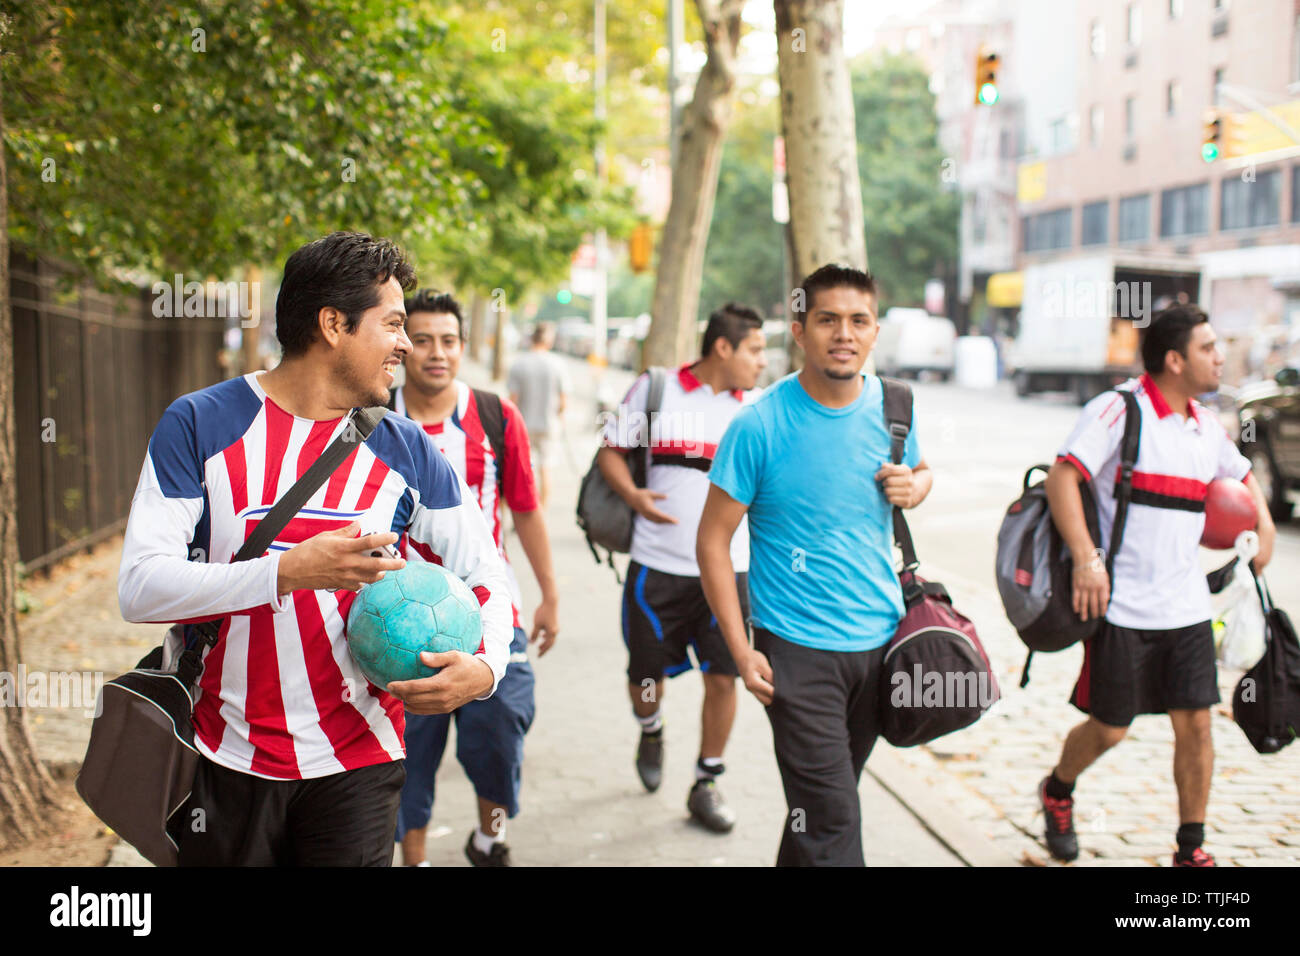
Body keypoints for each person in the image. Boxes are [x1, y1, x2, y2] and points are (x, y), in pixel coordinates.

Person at [117, 232, 514, 866]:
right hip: (222, 762)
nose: (406, 345)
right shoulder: (199, 424)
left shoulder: (407, 449)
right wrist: (287, 572)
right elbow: (140, 586)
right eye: (392, 324)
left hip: (359, 765)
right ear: (333, 324)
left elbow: (488, 571)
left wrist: (487, 666)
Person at [697, 265, 933, 866]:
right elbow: (713, 541)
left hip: (881, 646)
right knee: (833, 820)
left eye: (858, 320)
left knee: (821, 811)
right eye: (828, 319)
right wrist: (740, 647)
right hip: (796, 654)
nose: (844, 333)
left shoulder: (895, 408)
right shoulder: (759, 425)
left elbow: (921, 474)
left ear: (876, 331)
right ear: (799, 330)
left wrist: (916, 484)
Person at [1037, 303, 1276, 868]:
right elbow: (1062, 477)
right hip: (1120, 608)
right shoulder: (1118, 411)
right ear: (1174, 360)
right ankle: (1057, 789)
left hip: (1187, 608)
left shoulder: (1204, 425)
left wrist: (1263, 526)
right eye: (1208, 347)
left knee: (1195, 727)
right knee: (1110, 729)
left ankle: (1190, 849)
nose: (1220, 356)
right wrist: (1087, 560)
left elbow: (1241, 475)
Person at [392, 290, 560, 867]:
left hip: (492, 608)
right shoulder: (371, 418)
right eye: (424, 340)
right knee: (407, 751)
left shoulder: (494, 415)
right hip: (400, 621)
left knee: (501, 727)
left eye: (449, 341)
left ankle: (490, 839)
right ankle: (413, 858)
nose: (437, 353)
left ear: (463, 348)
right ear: (403, 345)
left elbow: (527, 508)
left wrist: (549, 596)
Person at [595, 303, 767, 832]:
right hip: (656, 569)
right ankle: (651, 728)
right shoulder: (658, 388)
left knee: (725, 677)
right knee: (645, 677)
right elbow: (611, 450)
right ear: (723, 347)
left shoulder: (759, 408)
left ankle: (707, 780)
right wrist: (635, 496)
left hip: (731, 574)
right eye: (755, 350)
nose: (763, 362)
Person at [507, 322, 568, 507]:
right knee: (545, 468)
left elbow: (512, 401)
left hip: (523, 425)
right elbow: (564, 401)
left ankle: (526, 507)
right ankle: (542, 509)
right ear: (549, 340)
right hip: (549, 425)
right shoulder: (558, 364)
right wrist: (558, 417)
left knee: (526, 469)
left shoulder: (519, 363)